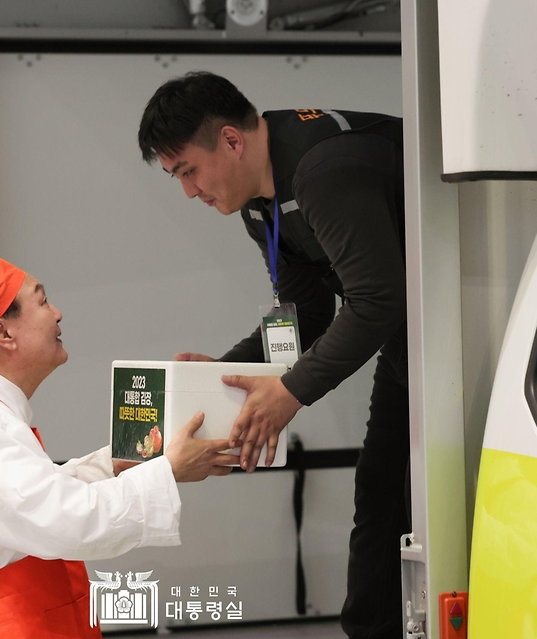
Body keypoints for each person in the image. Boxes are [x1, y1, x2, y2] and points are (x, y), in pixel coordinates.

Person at [138, 72, 409, 639]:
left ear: (232, 141)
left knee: (390, 492)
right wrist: (226, 369)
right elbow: (306, 312)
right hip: (416, 338)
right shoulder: (261, 204)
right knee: (384, 494)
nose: (188, 191)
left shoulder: (322, 170)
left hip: (468, 330)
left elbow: (378, 301)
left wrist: (289, 392)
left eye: (188, 170)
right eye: (176, 178)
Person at [0, 252, 237, 639]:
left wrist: (118, 463)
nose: (57, 313)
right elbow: (65, 521)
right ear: (3, 333)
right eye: (42, 301)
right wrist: (167, 470)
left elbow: (27, 501)